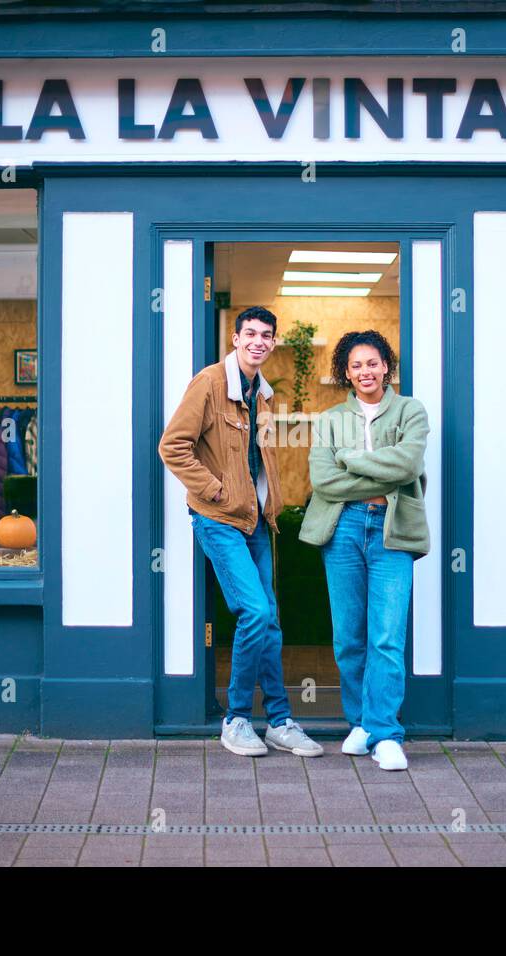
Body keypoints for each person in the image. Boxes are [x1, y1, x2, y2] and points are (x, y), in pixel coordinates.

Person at [158, 306, 323, 759]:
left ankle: (280, 721)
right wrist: (214, 490)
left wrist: (273, 505)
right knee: (254, 612)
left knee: (269, 619)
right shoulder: (210, 382)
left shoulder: (262, 393)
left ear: (272, 342)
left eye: (266, 335)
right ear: (235, 338)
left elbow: (259, 460)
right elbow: (172, 446)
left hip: (255, 521)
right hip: (219, 519)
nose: (258, 341)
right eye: (250, 333)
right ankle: (235, 719)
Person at [299, 330, 430, 771]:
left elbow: (408, 464)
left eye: (372, 363)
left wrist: (351, 460)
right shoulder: (330, 418)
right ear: (346, 372)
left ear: (386, 366)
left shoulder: (411, 410)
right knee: (349, 636)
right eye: (355, 365)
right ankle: (360, 724)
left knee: (387, 636)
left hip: (393, 529)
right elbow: (323, 481)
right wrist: (383, 472)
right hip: (344, 528)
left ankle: (387, 732)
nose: (365, 372)